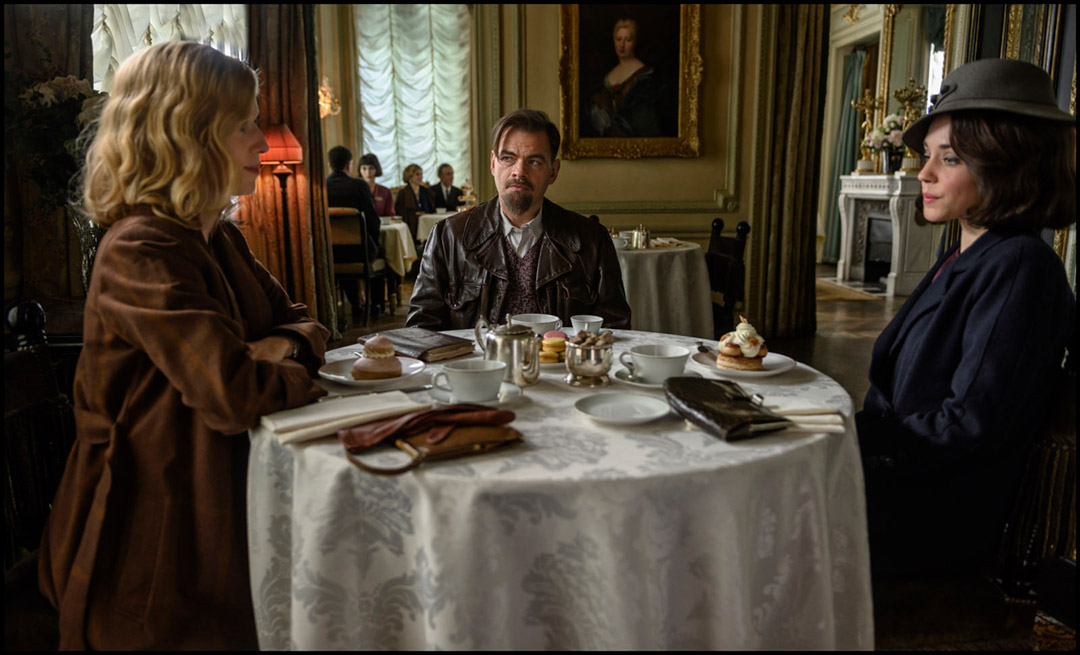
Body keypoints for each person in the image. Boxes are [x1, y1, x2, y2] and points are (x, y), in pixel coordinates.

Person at [37, 41, 330, 649]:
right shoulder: (141, 248)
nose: (262, 143)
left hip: (215, 497)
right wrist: (271, 358)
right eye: (245, 126)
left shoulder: (217, 237)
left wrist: (278, 348)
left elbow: (304, 323)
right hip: (152, 527)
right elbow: (234, 394)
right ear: (190, 133)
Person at [854, 58, 1076, 578]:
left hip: (931, 515)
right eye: (927, 155)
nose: (923, 174)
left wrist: (845, 446)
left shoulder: (1020, 266)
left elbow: (969, 425)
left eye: (948, 159)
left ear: (1006, 163)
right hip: (903, 483)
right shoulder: (968, 253)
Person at [408, 108, 632, 330]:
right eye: (508, 158)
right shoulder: (448, 236)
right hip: (476, 365)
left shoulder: (591, 240)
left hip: (561, 366)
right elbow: (422, 328)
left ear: (553, 171)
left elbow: (615, 328)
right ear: (493, 164)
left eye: (534, 161)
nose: (518, 171)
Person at [585, 17, 670, 138]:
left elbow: (643, 120)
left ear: (635, 42)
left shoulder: (644, 75)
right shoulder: (609, 76)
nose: (622, 45)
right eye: (618, 39)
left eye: (628, 40)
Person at [326, 145, 384, 316]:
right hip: (359, 252)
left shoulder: (321, 186)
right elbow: (373, 221)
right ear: (349, 165)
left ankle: (356, 304)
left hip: (331, 253)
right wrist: (374, 241)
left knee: (343, 252)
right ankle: (375, 306)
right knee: (378, 252)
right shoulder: (358, 186)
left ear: (330, 164)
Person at [358, 152, 395, 217]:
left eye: (371, 168)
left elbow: (390, 214)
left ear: (376, 169)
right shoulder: (355, 190)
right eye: (364, 168)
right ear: (360, 170)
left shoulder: (386, 192)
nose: (368, 172)